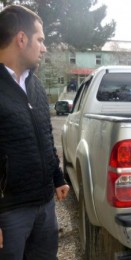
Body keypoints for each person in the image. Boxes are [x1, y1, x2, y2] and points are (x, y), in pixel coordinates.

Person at [0, 5, 70, 259]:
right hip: (10, 212)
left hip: (44, 204)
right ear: (21, 39)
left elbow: (45, 135)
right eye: (40, 40)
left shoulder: (35, 85)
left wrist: (57, 177)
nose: (44, 47)